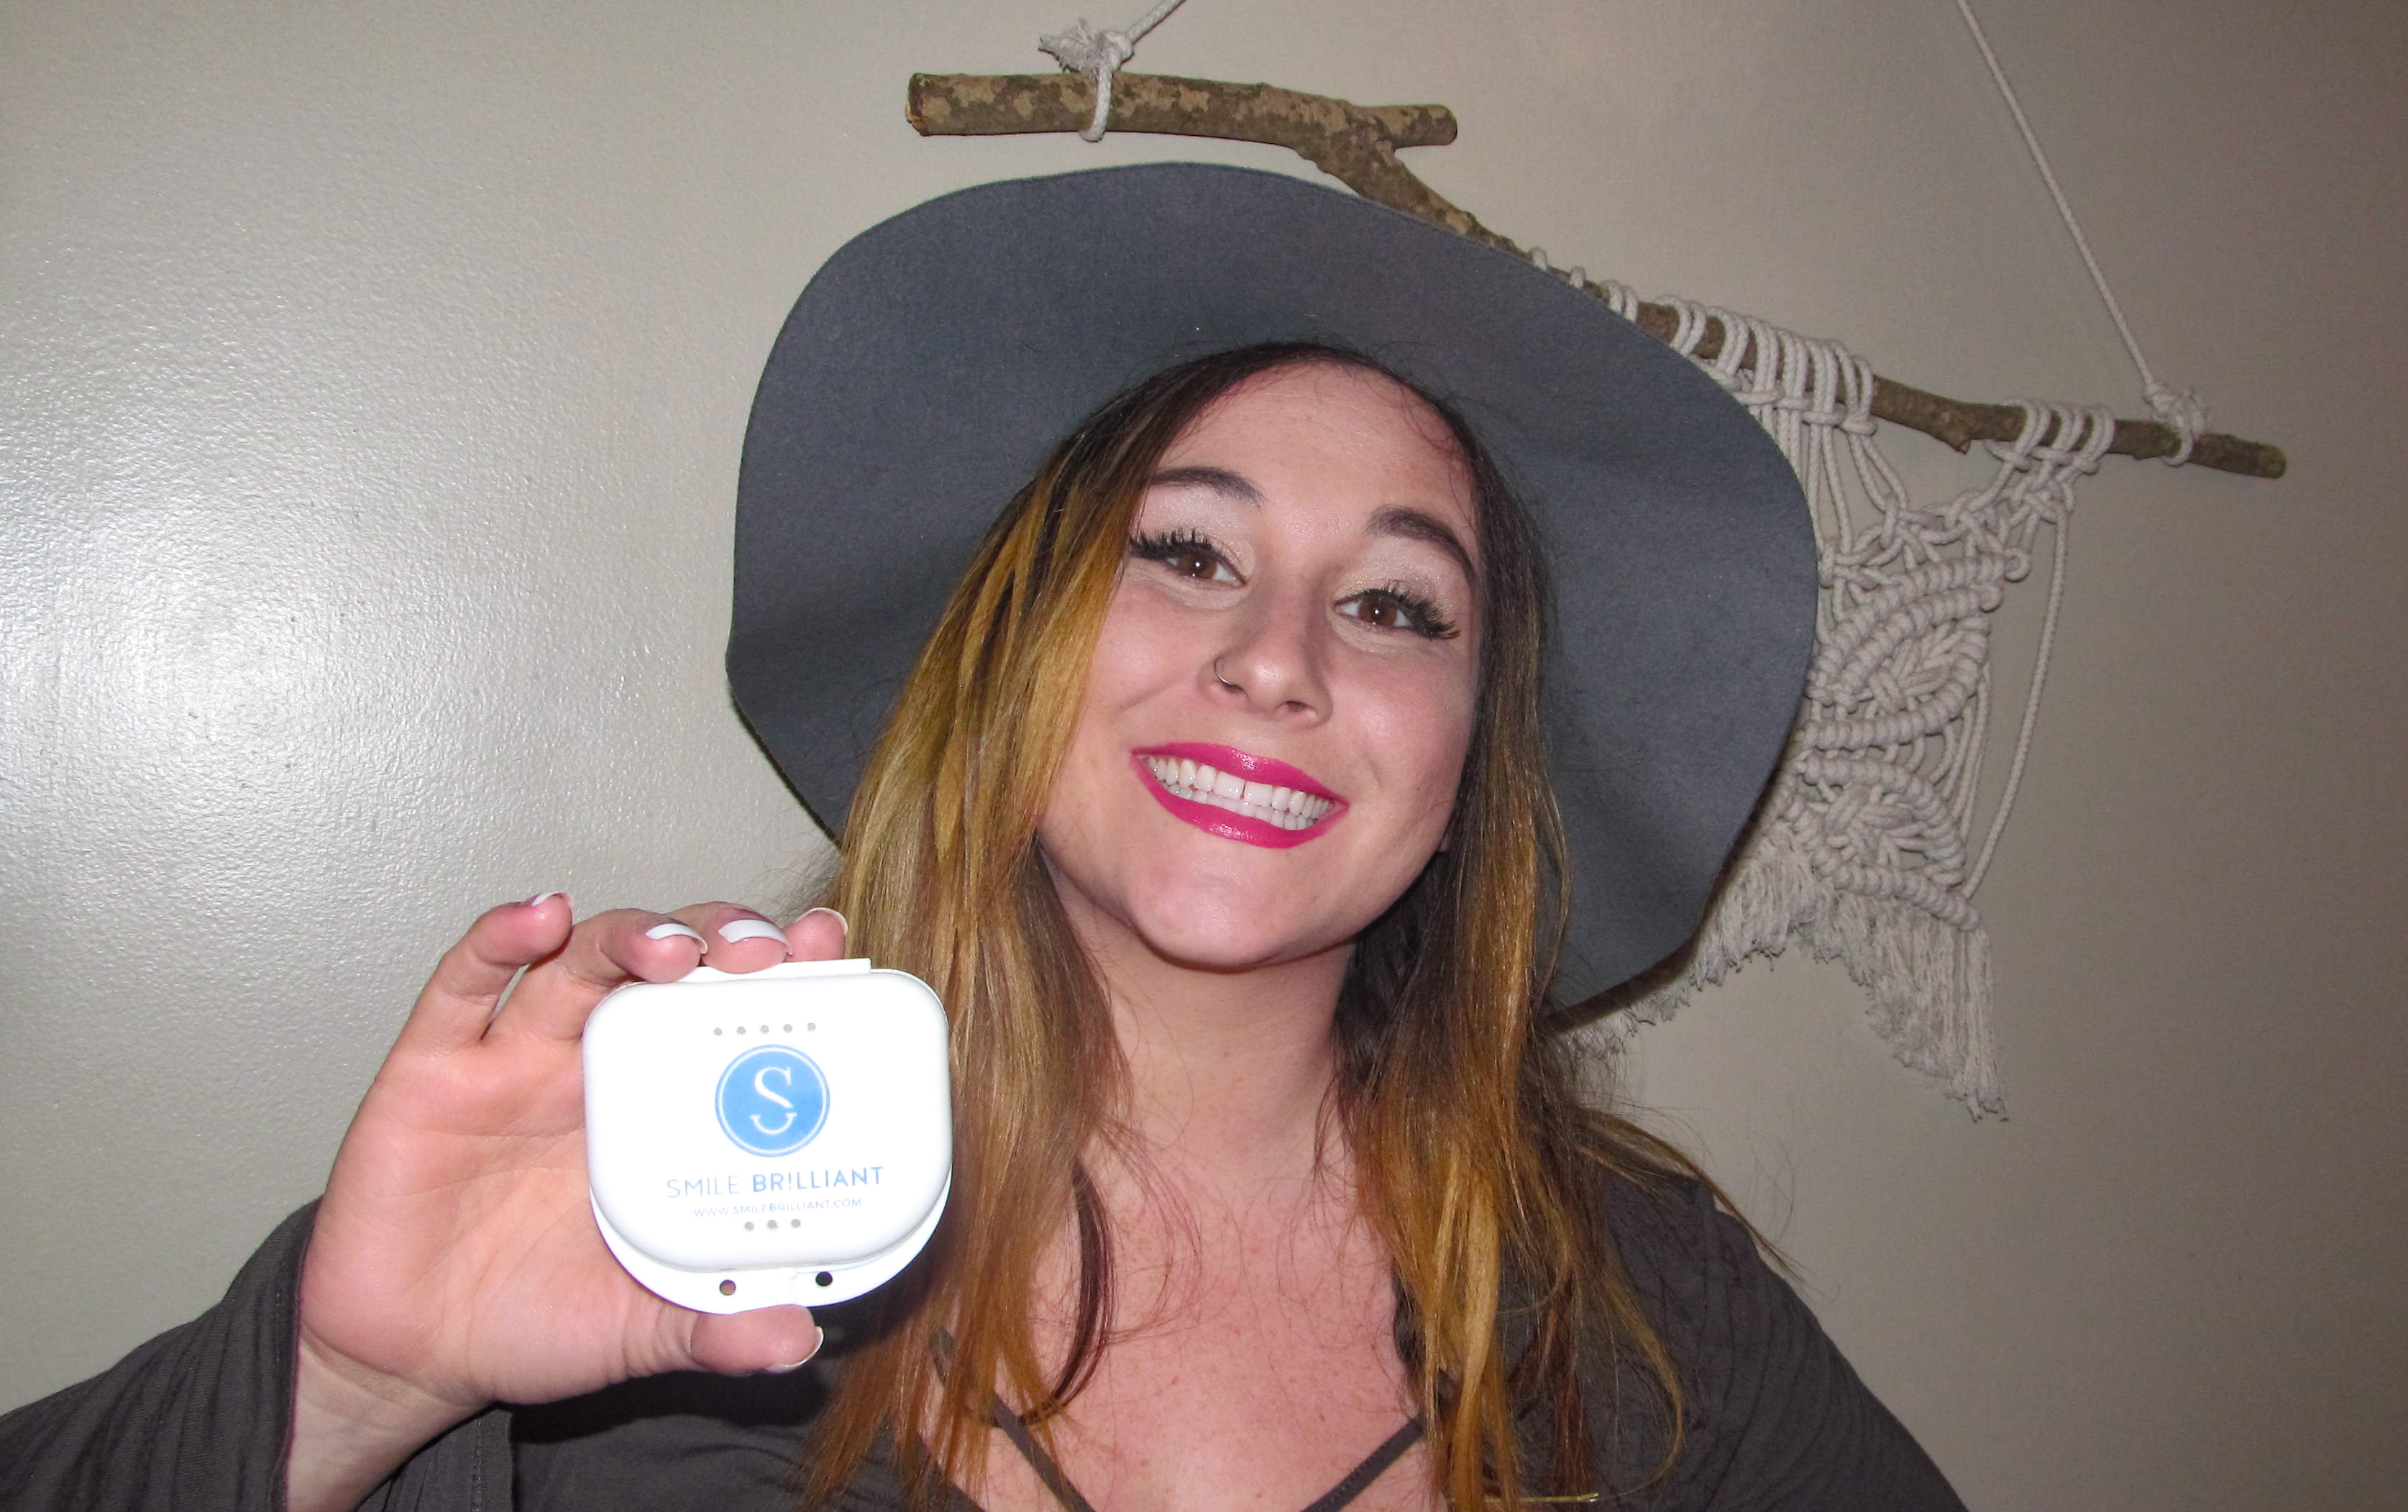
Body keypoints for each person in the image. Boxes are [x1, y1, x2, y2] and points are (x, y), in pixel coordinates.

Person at [0, 164, 1964, 1512]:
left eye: (1395, 605)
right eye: (1186, 552)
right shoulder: (651, 1241)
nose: (1278, 659)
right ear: (1013, 648)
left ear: (1471, 762)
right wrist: (345, 1397)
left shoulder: (1641, 1309)